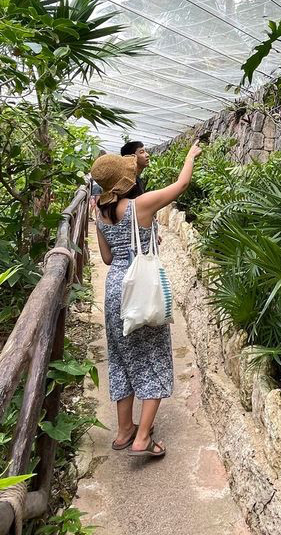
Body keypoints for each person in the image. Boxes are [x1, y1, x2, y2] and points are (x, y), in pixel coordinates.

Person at [89, 141, 201, 458]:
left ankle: (125, 430)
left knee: (122, 359)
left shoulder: (100, 213)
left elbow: (107, 258)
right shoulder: (140, 205)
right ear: (125, 181)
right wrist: (190, 156)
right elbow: (181, 185)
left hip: (115, 290)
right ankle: (142, 439)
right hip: (140, 289)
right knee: (154, 359)